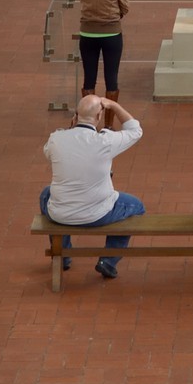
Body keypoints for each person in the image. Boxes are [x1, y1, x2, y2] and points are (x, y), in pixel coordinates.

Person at [40, 93, 144, 279]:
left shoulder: (56, 139)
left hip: (60, 213)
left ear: (76, 116)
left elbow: (49, 152)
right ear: (98, 117)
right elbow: (135, 130)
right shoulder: (105, 140)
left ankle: (62, 255)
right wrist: (114, 105)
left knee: (45, 194)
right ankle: (108, 261)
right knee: (136, 206)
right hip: (98, 213)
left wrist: (69, 129)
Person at [77, 0, 129, 110]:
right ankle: (108, 123)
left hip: (87, 33)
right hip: (112, 34)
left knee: (89, 78)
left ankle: (88, 118)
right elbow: (125, 6)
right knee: (111, 79)